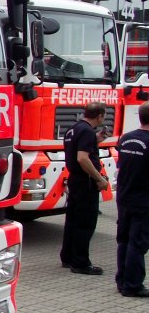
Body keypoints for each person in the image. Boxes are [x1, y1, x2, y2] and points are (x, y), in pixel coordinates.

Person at [59, 101, 109, 275]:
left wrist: (96, 140)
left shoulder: (74, 129)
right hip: (86, 182)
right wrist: (99, 179)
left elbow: (77, 150)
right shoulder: (87, 131)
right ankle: (80, 262)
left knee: (72, 221)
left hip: (75, 180)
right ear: (99, 116)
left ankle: (67, 257)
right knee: (85, 223)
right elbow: (82, 158)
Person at [114, 101, 149, 298]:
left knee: (124, 240)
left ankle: (122, 280)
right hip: (143, 200)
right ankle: (133, 285)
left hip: (124, 196)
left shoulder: (126, 138)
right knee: (138, 243)